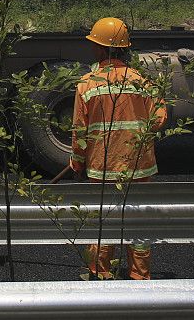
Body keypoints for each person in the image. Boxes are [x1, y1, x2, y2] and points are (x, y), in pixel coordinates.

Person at [70, 17, 166, 280]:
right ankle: (139, 279)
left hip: (102, 167)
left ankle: (100, 278)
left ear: (100, 49)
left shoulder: (87, 84)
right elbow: (158, 119)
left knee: (102, 223)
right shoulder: (142, 81)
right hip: (138, 166)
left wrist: (77, 166)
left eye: (94, 45)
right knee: (138, 225)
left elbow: (80, 132)